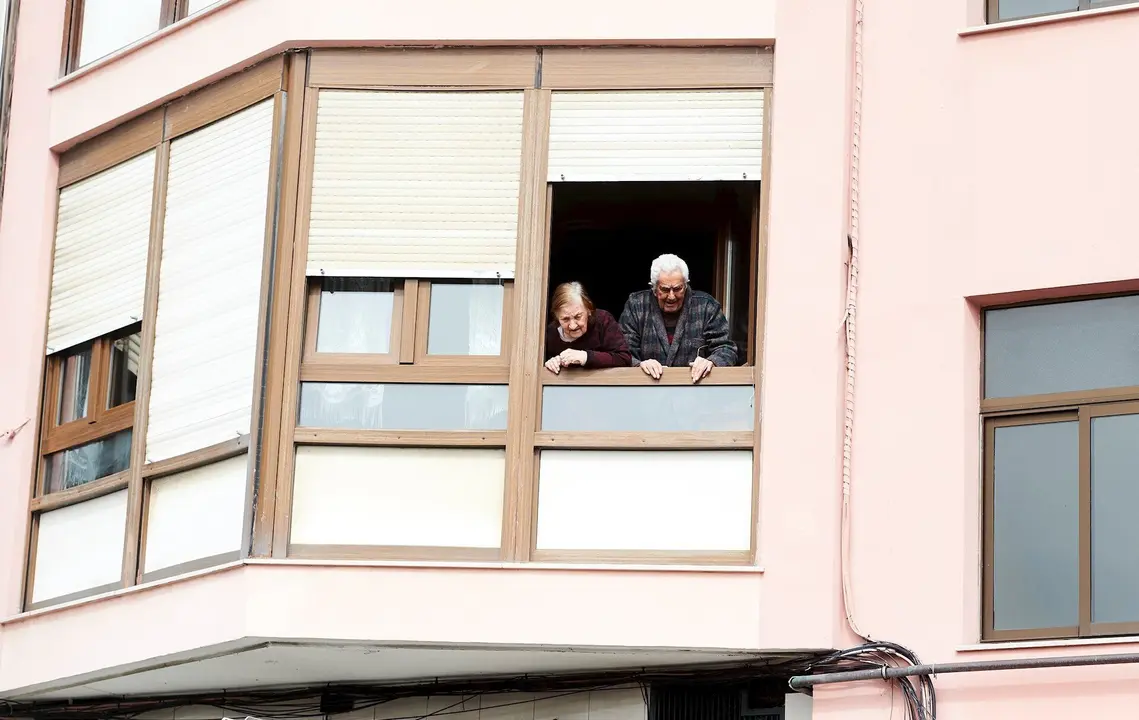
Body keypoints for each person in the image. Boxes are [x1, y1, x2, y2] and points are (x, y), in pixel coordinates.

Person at [618, 253, 737, 383]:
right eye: (664, 289)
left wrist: (712, 361)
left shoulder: (706, 306)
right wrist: (638, 365)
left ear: (686, 285)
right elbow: (623, 352)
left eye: (677, 289)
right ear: (654, 287)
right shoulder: (636, 305)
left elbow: (726, 349)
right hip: (647, 391)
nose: (671, 296)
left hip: (696, 391)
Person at [544, 281, 632, 374]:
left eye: (578, 316)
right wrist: (551, 363)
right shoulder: (550, 333)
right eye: (565, 319)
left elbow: (624, 359)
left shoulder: (603, 321)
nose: (573, 326)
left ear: (589, 309)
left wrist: (585, 357)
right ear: (557, 317)